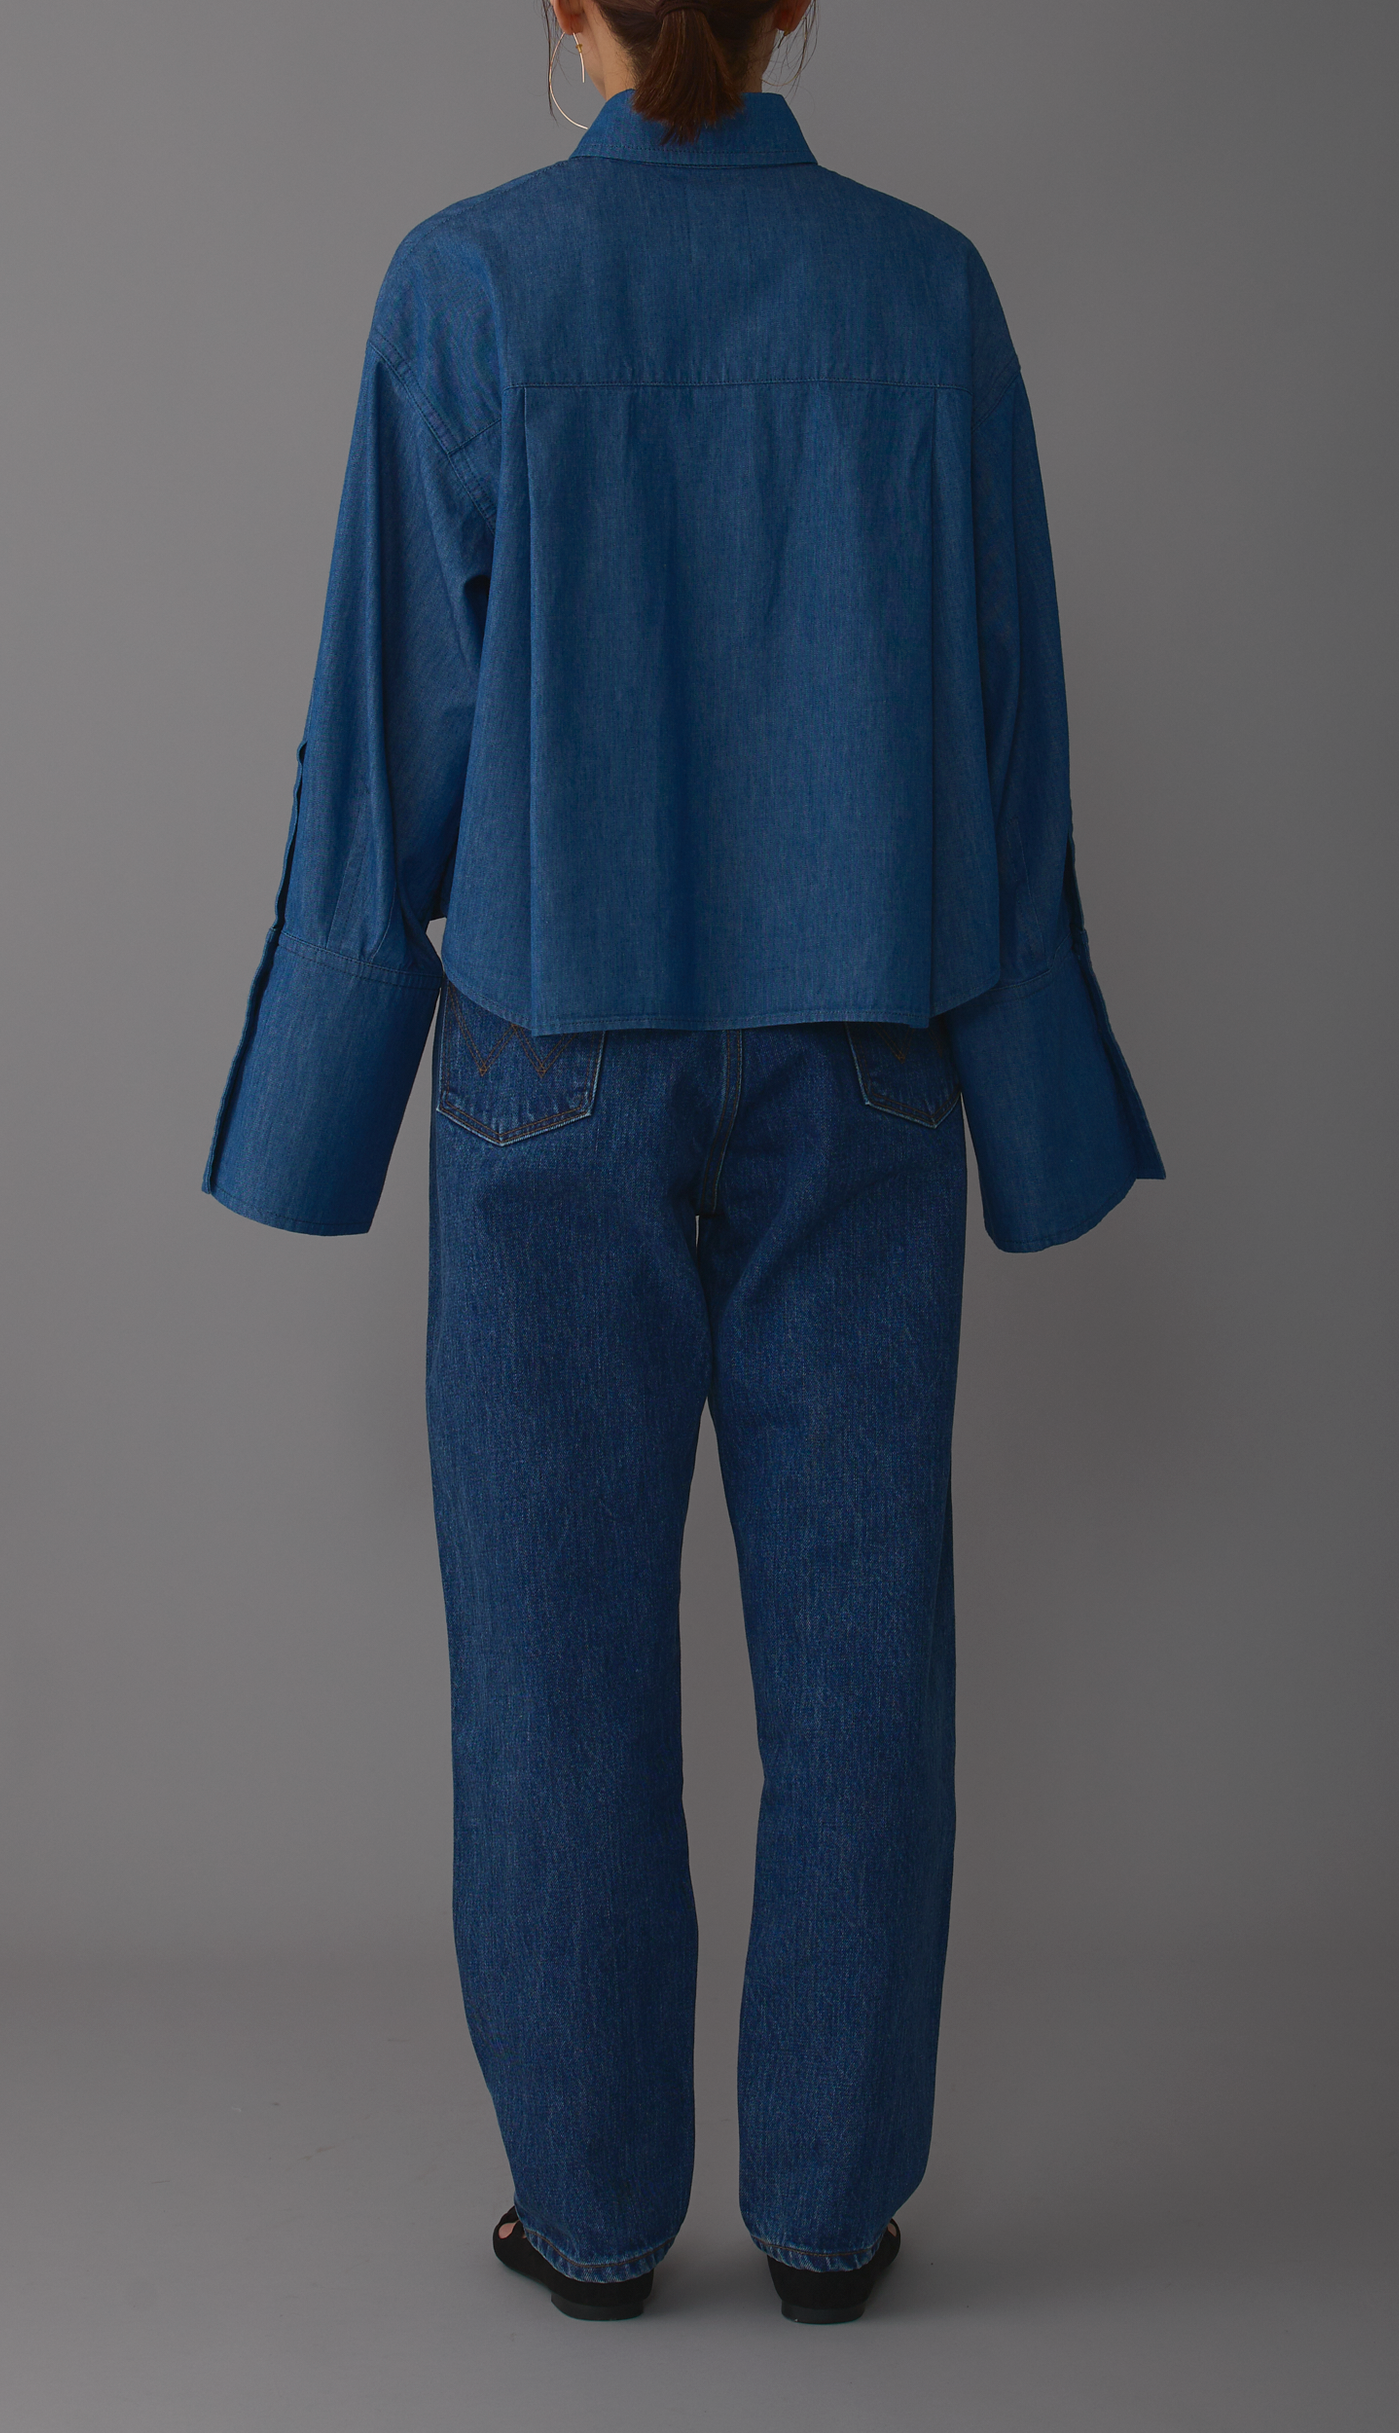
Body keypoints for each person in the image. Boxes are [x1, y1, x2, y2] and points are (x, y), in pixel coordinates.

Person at [202, 0, 1162, 2328]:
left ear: (569, 7)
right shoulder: (925, 293)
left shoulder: (469, 283)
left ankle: (595, 2218)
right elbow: (1007, 725)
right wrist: (1032, 1089)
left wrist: (318, 1093)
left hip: (554, 1064)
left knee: (554, 1668)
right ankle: (829, 2217)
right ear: (795, 2)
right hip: (864, 1058)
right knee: (861, 1660)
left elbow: (387, 730)